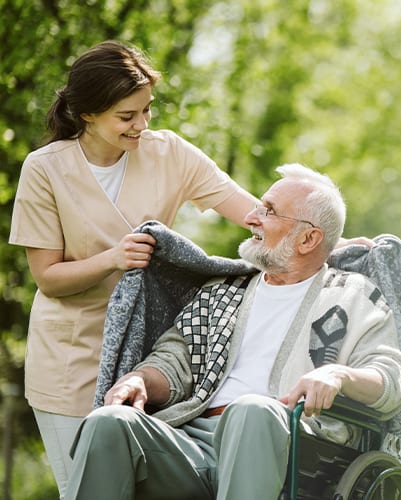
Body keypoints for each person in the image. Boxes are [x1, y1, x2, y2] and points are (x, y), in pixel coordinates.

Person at [8, 40, 262, 497]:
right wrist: (113, 259)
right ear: (87, 113)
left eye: (147, 111)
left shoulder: (170, 153)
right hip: (70, 361)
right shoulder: (44, 169)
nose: (141, 125)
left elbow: (254, 213)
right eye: (127, 117)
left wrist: (330, 235)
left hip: (144, 363)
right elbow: (47, 277)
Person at [64, 163, 401, 499]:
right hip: (195, 442)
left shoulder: (353, 296)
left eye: (269, 211)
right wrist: (139, 379)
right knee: (109, 422)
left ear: (308, 238)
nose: (251, 217)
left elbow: (391, 380)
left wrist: (339, 375)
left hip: (296, 444)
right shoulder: (223, 292)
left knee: (252, 409)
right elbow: (174, 361)